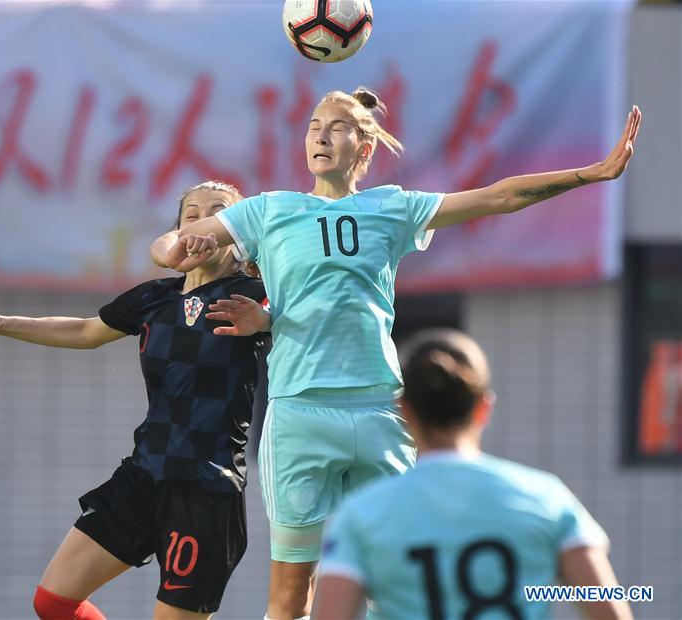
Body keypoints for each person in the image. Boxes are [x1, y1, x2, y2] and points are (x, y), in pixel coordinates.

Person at [150, 88, 641, 620]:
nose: (320, 133)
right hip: (298, 411)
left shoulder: (392, 206)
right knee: (292, 594)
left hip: (381, 411)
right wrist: (178, 246)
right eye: (315, 124)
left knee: (397, 586)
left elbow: (498, 195)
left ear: (364, 147)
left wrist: (587, 174)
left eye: (337, 126)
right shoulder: (269, 210)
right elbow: (168, 245)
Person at [0, 181, 268, 620]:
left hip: (206, 487)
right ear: (177, 231)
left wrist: (267, 320)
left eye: (218, 212)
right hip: (144, 475)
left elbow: (304, 322)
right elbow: (85, 331)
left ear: (237, 235)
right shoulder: (154, 299)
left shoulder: (256, 295)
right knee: (53, 602)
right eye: (192, 213)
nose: (202, 222)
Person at [313, 328, 633, 620]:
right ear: (484, 407)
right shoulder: (547, 497)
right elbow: (611, 611)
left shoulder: (361, 516)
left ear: (404, 411)